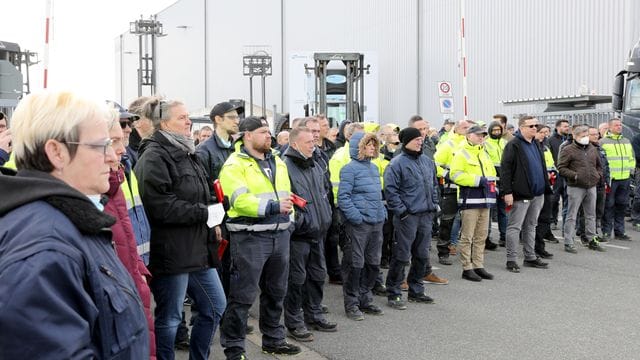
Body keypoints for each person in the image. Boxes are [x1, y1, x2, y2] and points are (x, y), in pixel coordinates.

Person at [0, 91, 149, 358]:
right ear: (57, 152)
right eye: (102, 145)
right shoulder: (45, 250)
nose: (113, 157)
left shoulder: (70, 224)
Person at [134, 97, 226, 360]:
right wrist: (204, 213)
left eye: (188, 117)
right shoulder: (153, 156)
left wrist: (213, 217)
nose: (188, 121)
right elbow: (161, 206)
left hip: (197, 248)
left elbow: (205, 191)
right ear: (164, 123)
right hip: (172, 252)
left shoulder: (188, 151)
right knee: (170, 318)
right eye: (182, 117)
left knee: (215, 306)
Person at [219, 117, 301, 359]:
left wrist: (290, 222)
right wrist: (273, 207)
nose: (269, 136)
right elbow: (238, 200)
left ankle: (273, 340)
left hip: (280, 235)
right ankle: (234, 349)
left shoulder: (277, 160)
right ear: (247, 135)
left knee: (276, 292)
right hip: (250, 238)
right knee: (242, 297)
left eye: (269, 131)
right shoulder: (234, 165)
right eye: (263, 132)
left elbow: (288, 195)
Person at [104, 115, 157, 359]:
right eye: (113, 138)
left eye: (127, 127)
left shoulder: (120, 173)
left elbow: (131, 223)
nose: (121, 148)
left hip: (137, 270)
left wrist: (138, 269)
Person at [283, 126, 336, 341]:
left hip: (317, 231)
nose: (313, 145)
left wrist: (325, 217)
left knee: (317, 275)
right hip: (299, 235)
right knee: (296, 280)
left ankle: (313, 314)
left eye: (313, 142)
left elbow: (324, 194)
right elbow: (287, 201)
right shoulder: (285, 166)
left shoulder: (315, 164)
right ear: (295, 144)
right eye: (308, 142)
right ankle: (294, 321)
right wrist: (303, 222)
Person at [384, 127, 440, 310]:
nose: (420, 141)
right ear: (406, 141)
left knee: (422, 255)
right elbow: (391, 192)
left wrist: (434, 205)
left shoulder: (427, 161)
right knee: (401, 255)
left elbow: (433, 185)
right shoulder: (396, 163)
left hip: (426, 215)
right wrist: (402, 212)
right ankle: (394, 291)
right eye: (416, 139)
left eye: (421, 139)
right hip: (407, 217)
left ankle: (416, 290)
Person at [338, 131, 387, 321]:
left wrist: (382, 214)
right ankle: (352, 303)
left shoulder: (374, 168)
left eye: (374, 145)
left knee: (373, 263)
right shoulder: (349, 169)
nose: (373, 148)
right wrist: (356, 217)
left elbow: (377, 195)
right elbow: (343, 197)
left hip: (376, 222)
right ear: (359, 147)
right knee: (355, 264)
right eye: (369, 144)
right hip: (359, 224)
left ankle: (365, 299)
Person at [501, 116, 552, 273]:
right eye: (531, 126)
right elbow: (506, 170)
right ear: (521, 128)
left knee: (531, 225)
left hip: (537, 193)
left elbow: (542, 166)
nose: (534, 128)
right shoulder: (514, 145)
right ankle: (511, 259)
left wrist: (545, 186)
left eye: (536, 125)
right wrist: (507, 192)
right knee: (515, 227)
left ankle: (530, 257)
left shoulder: (536, 144)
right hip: (521, 193)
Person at [450, 125, 497, 281]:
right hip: (469, 199)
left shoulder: (484, 153)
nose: (481, 137)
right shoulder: (461, 153)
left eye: (483, 135)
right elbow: (455, 175)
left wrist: (493, 187)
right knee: (467, 236)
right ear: (469, 136)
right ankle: (467, 268)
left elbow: (491, 174)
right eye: (478, 135)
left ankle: (478, 265)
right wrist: (478, 181)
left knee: (481, 236)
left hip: (485, 199)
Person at [557, 125, 605, 253]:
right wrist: (575, 175)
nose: (585, 138)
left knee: (591, 215)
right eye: (582, 136)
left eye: (586, 135)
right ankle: (569, 241)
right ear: (575, 136)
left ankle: (591, 239)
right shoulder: (568, 150)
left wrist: (598, 176)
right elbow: (561, 168)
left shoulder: (592, 149)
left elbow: (599, 165)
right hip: (576, 187)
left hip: (591, 186)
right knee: (571, 215)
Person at [434, 119, 472, 265]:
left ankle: (466, 252)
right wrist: (447, 175)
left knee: (468, 222)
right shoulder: (448, 144)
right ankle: (443, 251)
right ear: (456, 128)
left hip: (468, 188)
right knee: (447, 220)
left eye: (469, 127)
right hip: (451, 188)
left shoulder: (471, 144)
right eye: (464, 127)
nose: (467, 129)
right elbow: (435, 165)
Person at [600, 118, 635, 240]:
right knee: (609, 205)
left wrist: (631, 171)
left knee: (622, 205)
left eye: (620, 125)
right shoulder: (603, 142)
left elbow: (631, 158)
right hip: (611, 180)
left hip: (625, 179)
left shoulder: (626, 141)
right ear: (609, 127)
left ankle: (620, 232)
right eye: (616, 125)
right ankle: (606, 232)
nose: (619, 127)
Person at [532, 125, 557, 258]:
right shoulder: (531, 148)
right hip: (536, 188)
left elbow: (551, 165)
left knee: (545, 218)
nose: (543, 135)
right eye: (540, 132)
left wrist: (553, 173)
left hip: (547, 186)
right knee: (533, 220)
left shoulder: (545, 147)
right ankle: (534, 247)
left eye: (545, 133)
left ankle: (540, 246)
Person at [484, 121, 508, 247]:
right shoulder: (485, 144)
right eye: (494, 130)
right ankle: (486, 237)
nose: (497, 133)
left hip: (504, 179)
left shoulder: (504, 143)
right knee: (489, 210)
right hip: (492, 180)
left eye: (499, 130)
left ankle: (504, 236)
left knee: (503, 210)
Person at [549, 119, 570, 230]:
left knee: (568, 198)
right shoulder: (551, 140)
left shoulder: (570, 140)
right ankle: (553, 220)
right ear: (558, 127)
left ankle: (567, 222)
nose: (567, 128)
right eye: (565, 126)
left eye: (568, 126)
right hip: (556, 175)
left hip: (568, 174)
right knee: (554, 199)